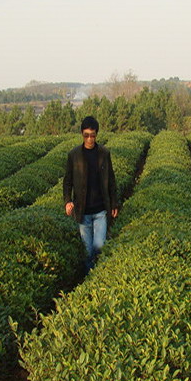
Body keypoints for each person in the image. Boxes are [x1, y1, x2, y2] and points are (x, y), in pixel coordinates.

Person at [64, 116, 118, 273]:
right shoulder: (74, 155)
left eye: (92, 135)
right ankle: (90, 277)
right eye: (86, 135)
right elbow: (67, 181)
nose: (89, 139)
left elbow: (111, 180)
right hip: (83, 211)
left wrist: (114, 203)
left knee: (99, 246)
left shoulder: (104, 153)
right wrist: (67, 201)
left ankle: (99, 273)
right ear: (82, 134)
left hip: (100, 210)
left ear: (96, 134)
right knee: (87, 251)